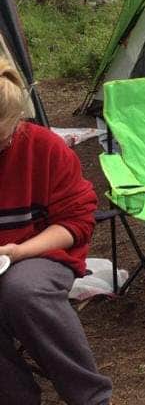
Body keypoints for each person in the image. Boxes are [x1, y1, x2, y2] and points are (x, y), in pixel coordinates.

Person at [0, 57, 112, 405]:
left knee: (23, 291)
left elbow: (77, 221)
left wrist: (18, 251)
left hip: (40, 251)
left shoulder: (43, 147)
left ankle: (90, 397)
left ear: (16, 122)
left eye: (1, 141)